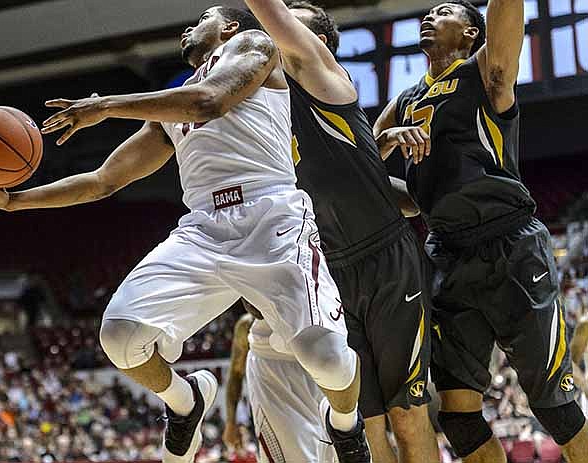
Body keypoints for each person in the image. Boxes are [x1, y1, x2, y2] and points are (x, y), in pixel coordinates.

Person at [0, 6, 368, 462]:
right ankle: (185, 400)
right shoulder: (171, 109)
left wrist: (107, 105)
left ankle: (345, 422)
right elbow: (103, 181)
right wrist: (16, 201)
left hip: (271, 216)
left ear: (229, 27)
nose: (189, 27)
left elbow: (209, 101)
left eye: (204, 17)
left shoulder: (256, 46)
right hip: (203, 228)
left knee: (328, 359)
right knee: (119, 336)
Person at [373, 1, 588, 462]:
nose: (430, 16)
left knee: (558, 410)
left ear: (472, 33)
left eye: (445, 10)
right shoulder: (405, 101)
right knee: (458, 418)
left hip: (509, 243)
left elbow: (507, 9)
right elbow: (361, 175)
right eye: (427, 11)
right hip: (446, 254)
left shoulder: (485, 71)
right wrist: (387, 141)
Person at [243, 1, 439, 462]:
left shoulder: (323, 75)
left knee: (407, 415)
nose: (277, 33)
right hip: (326, 272)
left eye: (293, 23)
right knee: (365, 425)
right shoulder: (266, 108)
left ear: (321, 43)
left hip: (385, 263)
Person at [224, 301, 337, 462]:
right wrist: (230, 421)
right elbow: (236, 374)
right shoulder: (247, 326)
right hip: (275, 409)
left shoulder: (311, 312)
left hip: (317, 402)